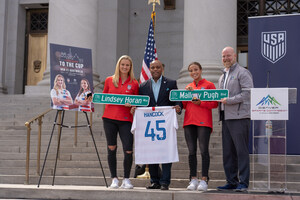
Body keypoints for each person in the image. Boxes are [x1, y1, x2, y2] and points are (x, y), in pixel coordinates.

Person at [132, 60, 182, 190]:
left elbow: (176, 98)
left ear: (162, 69)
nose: (155, 69)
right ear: (149, 69)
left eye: (158, 67)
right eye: (153, 67)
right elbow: (140, 102)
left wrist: (178, 106)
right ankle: (155, 181)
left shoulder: (171, 83)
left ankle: (165, 182)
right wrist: (135, 108)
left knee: (166, 153)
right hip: (149, 124)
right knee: (151, 153)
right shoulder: (142, 86)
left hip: (164, 124)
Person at [217, 47, 254, 192]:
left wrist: (230, 100)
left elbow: (248, 93)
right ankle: (231, 181)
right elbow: (220, 96)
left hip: (239, 118)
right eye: (223, 56)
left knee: (241, 151)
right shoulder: (222, 76)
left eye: (228, 56)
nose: (226, 58)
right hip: (226, 118)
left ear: (235, 56)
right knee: (228, 152)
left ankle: (243, 182)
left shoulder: (242, 72)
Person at [102, 55, 139, 189]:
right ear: (119, 65)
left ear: (130, 67)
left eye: (127, 65)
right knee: (111, 147)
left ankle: (126, 179)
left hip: (126, 120)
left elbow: (137, 102)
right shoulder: (109, 80)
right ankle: (114, 179)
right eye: (122, 64)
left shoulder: (134, 83)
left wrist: (133, 106)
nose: (124, 67)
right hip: (109, 119)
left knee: (128, 150)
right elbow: (103, 97)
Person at [183, 62, 218, 191]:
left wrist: (201, 103)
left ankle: (204, 179)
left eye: (196, 69)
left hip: (204, 122)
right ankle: (193, 179)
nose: (194, 72)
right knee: (191, 152)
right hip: (189, 122)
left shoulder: (209, 85)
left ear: (201, 70)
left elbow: (214, 103)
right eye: (191, 70)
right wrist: (186, 96)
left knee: (204, 151)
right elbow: (185, 105)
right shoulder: (188, 86)